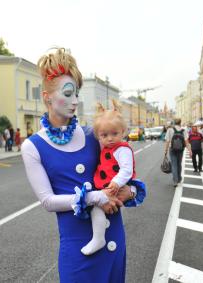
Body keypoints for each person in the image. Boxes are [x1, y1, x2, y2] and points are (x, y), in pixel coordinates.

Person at [21, 47, 134, 282]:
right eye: (68, 93)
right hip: (78, 247)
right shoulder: (33, 146)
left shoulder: (94, 134)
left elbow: (125, 170)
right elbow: (48, 201)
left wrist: (129, 191)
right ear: (46, 97)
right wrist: (96, 197)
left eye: (77, 94)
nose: (75, 101)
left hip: (112, 236)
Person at [85, 99, 145, 256]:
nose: (110, 138)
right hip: (108, 186)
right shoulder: (106, 147)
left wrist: (116, 183)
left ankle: (98, 238)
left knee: (96, 208)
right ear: (98, 135)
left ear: (123, 132)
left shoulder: (122, 149)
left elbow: (127, 169)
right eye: (104, 135)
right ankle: (99, 236)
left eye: (114, 134)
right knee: (96, 209)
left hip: (115, 186)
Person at [165, 118, 187, 187]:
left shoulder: (170, 129)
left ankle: (175, 181)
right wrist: (190, 150)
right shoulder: (183, 130)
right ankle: (179, 178)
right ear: (180, 123)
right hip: (181, 149)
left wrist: (165, 150)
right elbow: (186, 141)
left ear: (174, 123)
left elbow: (167, 141)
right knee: (179, 164)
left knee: (174, 165)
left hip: (172, 149)